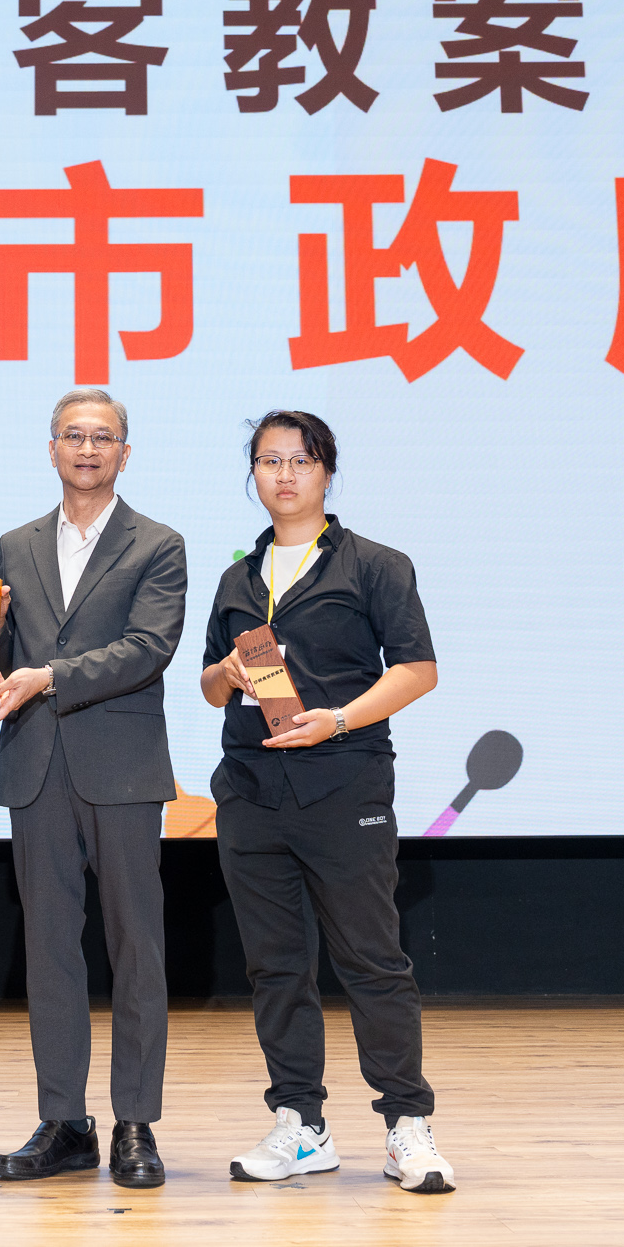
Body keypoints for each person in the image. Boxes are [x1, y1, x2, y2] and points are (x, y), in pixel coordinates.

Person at [198, 410, 456, 1195]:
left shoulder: (375, 564)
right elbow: (209, 684)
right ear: (252, 473)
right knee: (276, 966)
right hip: (251, 793)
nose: (285, 474)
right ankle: (301, 1124)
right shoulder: (239, 578)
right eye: (269, 460)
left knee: (371, 960)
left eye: (301, 460)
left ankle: (407, 1124)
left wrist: (339, 718)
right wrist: (226, 676)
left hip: (345, 784)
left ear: (327, 472)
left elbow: (418, 669)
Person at [0, 388, 187, 1190]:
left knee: (137, 944)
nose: (88, 448)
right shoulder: (15, 544)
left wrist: (48, 675)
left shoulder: (158, 543)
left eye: (104, 437)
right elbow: (2, 657)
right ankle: (65, 1121)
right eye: (74, 434)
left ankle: (136, 1120)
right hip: (36, 763)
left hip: (123, 765)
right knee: (48, 947)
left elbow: (149, 646)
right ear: (52, 448)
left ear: (125, 453)